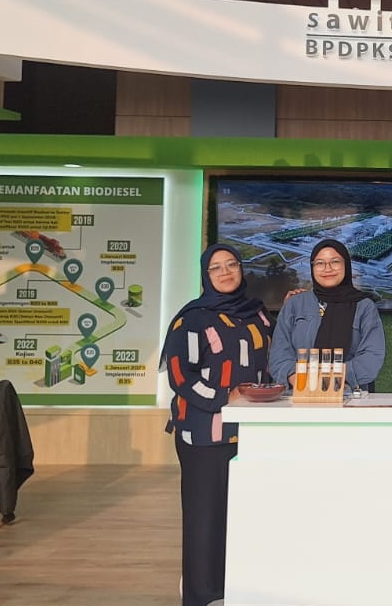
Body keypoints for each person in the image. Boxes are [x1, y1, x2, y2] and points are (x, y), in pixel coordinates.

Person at [160, 244, 271, 606]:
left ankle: (233, 590)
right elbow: (180, 376)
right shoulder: (191, 319)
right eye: (216, 268)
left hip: (251, 432)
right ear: (205, 276)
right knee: (204, 521)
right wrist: (226, 396)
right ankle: (200, 596)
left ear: (241, 269)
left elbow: (267, 364)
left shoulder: (257, 314)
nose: (225, 272)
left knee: (241, 517)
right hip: (205, 434)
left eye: (231, 265)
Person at [269, 239, 386, 393]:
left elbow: (372, 356)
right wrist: (296, 377)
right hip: (299, 394)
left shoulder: (364, 306)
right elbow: (279, 353)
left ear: (346, 265)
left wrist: (333, 379)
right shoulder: (295, 304)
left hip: (348, 396)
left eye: (335, 262)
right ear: (312, 267)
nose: (327, 268)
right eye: (320, 263)